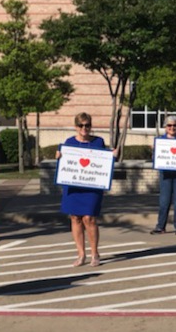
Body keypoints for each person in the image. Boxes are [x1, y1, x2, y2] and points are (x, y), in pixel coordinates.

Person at [58, 112, 119, 267]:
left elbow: (104, 161)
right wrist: (59, 156)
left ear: (91, 126)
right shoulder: (69, 143)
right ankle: (81, 254)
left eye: (87, 125)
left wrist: (113, 156)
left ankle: (95, 253)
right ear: (75, 127)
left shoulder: (98, 142)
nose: (84, 128)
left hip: (91, 186)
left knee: (89, 218)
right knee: (75, 218)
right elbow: (64, 162)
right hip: (73, 187)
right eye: (81, 125)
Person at [152, 115, 176, 235]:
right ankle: (160, 226)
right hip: (166, 175)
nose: (172, 127)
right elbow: (155, 159)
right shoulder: (160, 141)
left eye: (174, 125)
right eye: (169, 125)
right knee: (164, 201)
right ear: (165, 127)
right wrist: (154, 152)